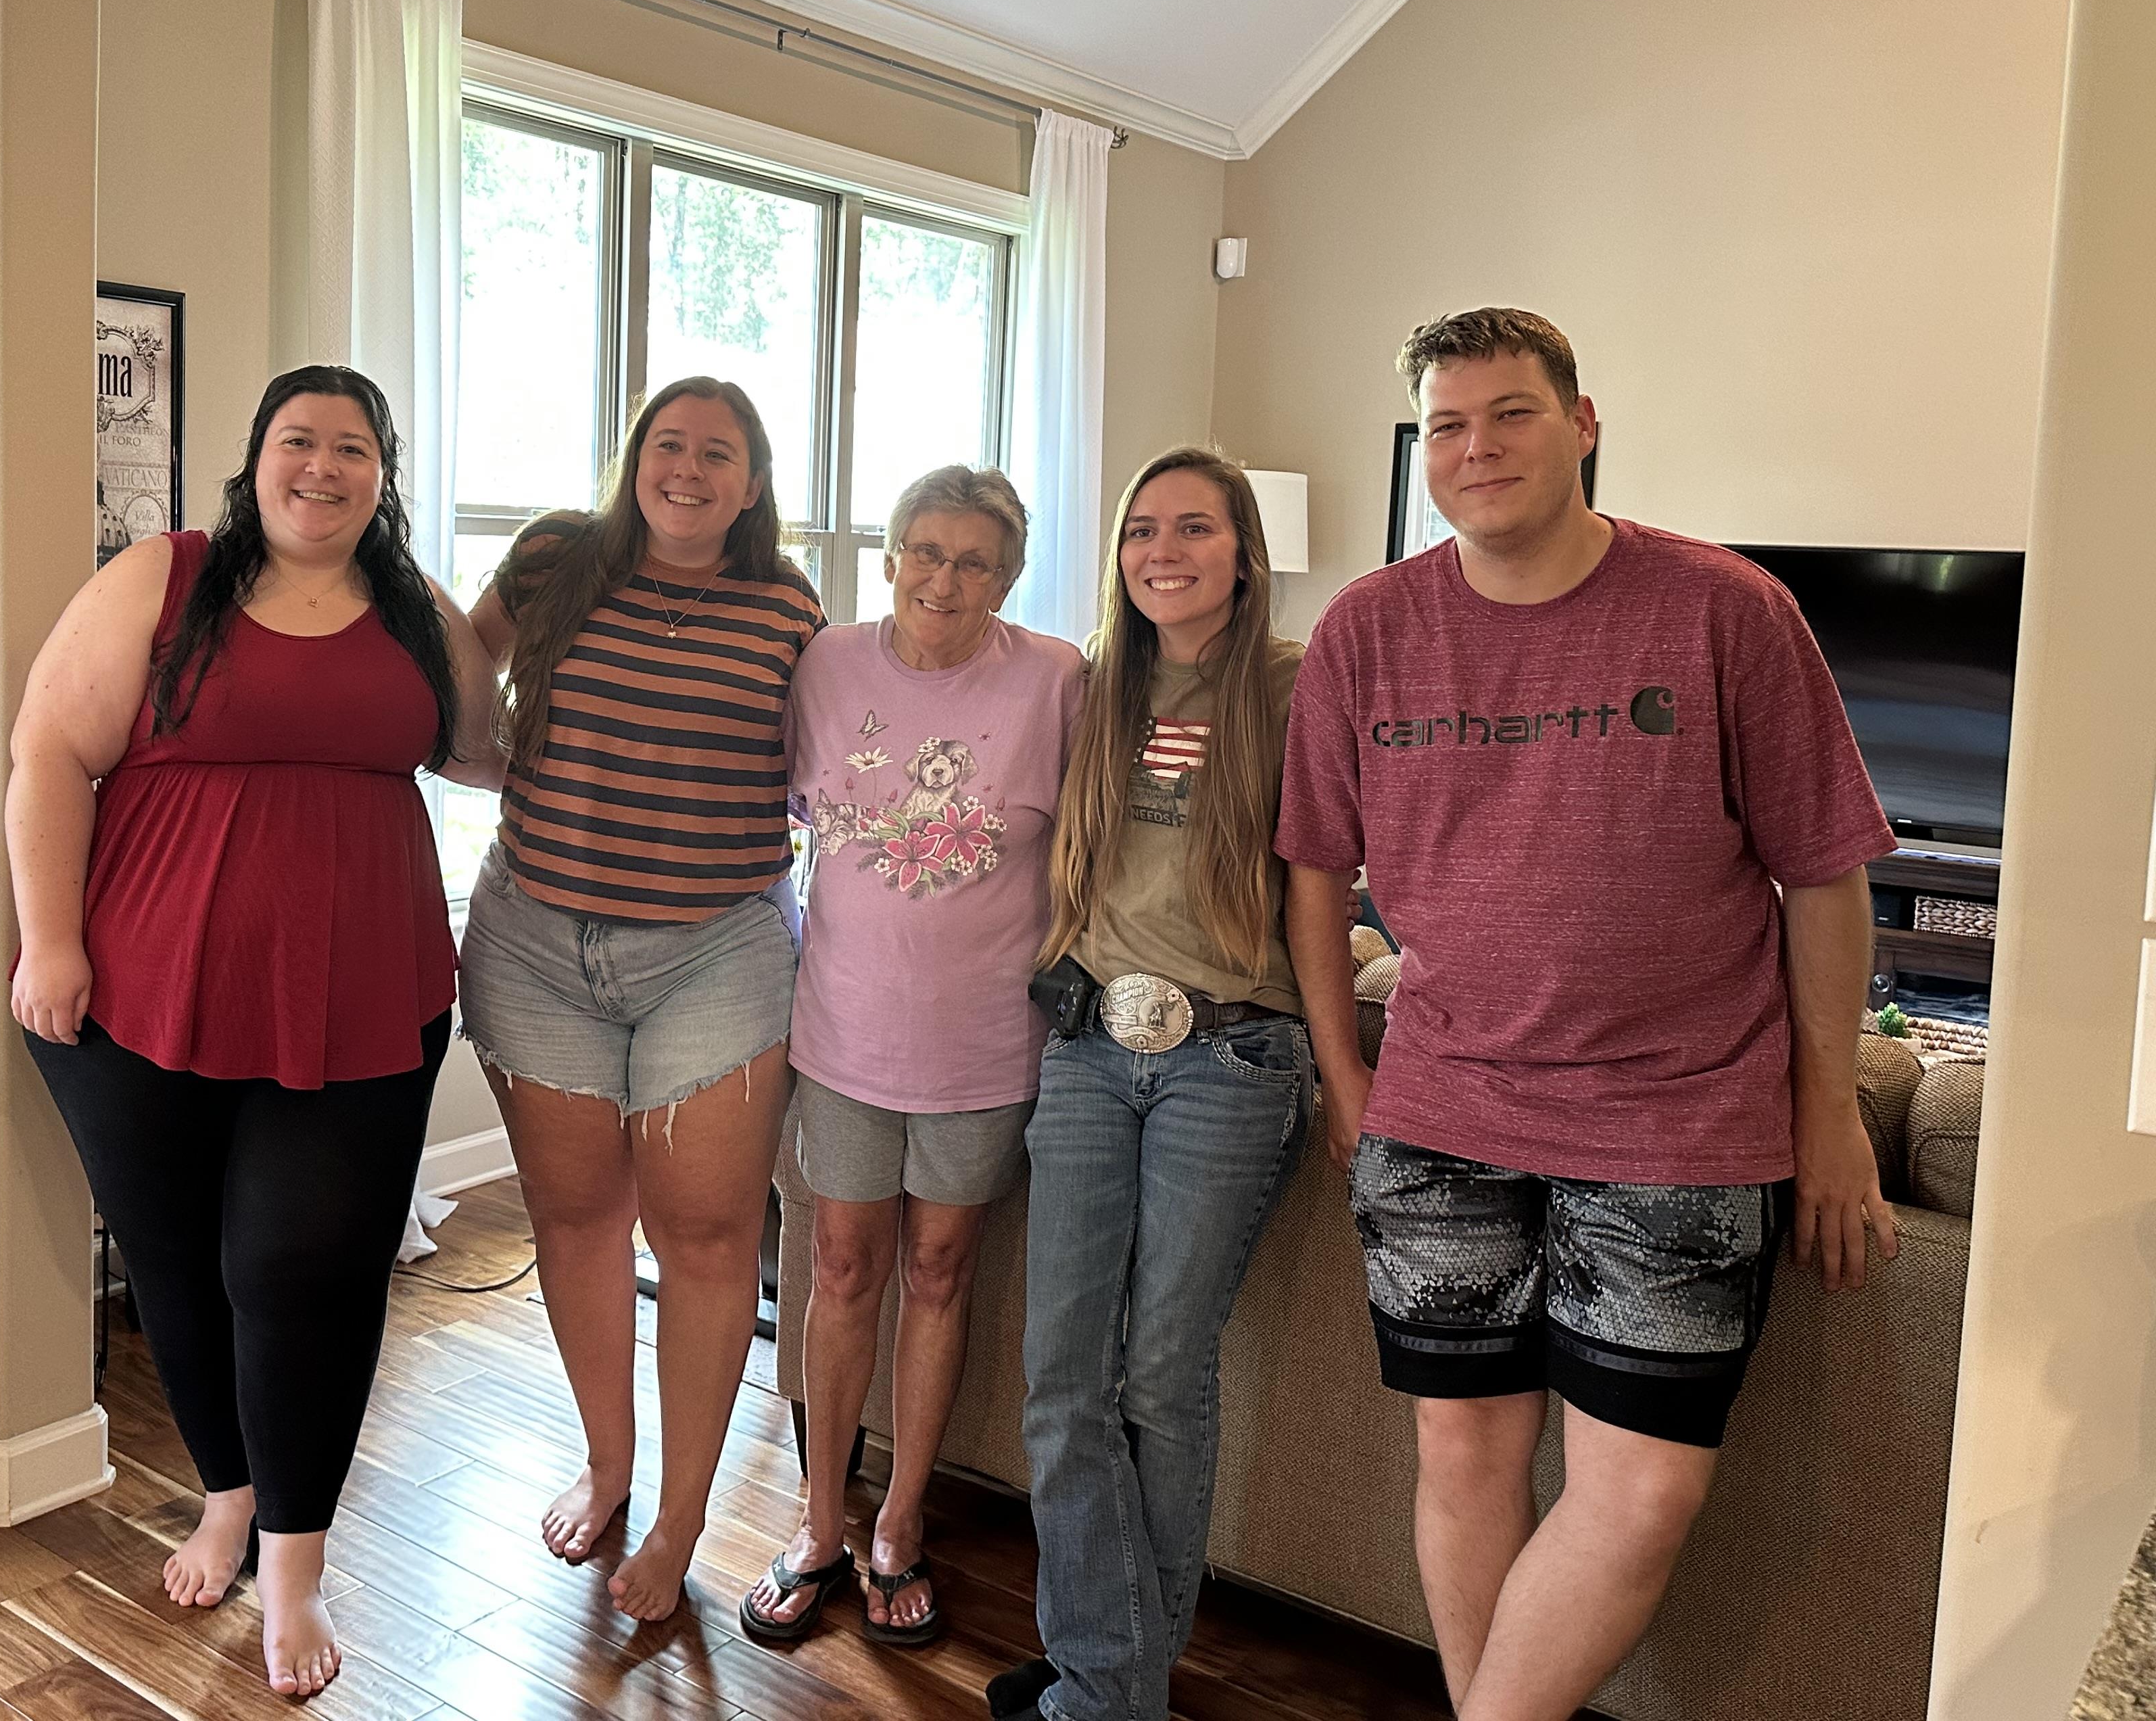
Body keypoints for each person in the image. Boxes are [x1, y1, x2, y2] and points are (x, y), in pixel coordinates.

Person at [1277, 308, 1898, 1721]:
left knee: (1646, 1491)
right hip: (1441, 1114)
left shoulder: (1728, 608)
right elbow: (1313, 869)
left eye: (1512, 413)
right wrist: (1346, 1077)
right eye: (1446, 424)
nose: (1477, 447)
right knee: (1462, 1459)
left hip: (1682, 1121)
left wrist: (1827, 1113)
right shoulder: (1368, 629)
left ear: (1583, 424)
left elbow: (1824, 874)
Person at [6, 366, 501, 1700]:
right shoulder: (165, 581)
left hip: (361, 993)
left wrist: (537, 619)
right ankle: (226, 1496)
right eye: (300, 440)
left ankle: (294, 1563)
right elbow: (48, 752)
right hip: (137, 991)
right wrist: (51, 941)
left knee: (301, 1270)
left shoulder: (415, 609)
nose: (322, 467)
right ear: (258, 457)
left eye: (353, 448)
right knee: (175, 1262)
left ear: (383, 474)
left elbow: (487, 752)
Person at [460, 375, 823, 1622]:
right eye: (669, 444)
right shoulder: (556, 559)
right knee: (575, 1218)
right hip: (535, 945)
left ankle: (681, 1517)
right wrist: (488, 762)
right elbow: (457, 672)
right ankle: (608, 1463)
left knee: (707, 1237)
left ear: (754, 484)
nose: (689, 469)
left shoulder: (789, 608)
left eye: (719, 453)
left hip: (716, 954)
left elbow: (838, 763)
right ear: (634, 458)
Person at [986, 448, 1314, 1721]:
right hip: (1086, 1048)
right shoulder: (1092, 681)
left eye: (1195, 528)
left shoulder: (1295, 683)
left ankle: (1102, 1683)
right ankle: (1113, 1673)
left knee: (1163, 1376)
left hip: (1231, 1059)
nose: (1163, 552)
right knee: (1061, 1376)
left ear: (1244, 551)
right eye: (1141, 531)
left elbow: (1328, 879)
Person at [740, 466, 1083, 1650]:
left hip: (984, 1045)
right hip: (842, 1034)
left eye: (975, 561)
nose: (945, 578)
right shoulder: (825, 665)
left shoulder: (1055, 681)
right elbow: (760, 811)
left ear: (1009, 578)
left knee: (940, 1271)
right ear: (889, 558)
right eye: (925, 552)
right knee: (841, 1269)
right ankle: (817, 1522)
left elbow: (1098, 847)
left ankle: (899, 1521)